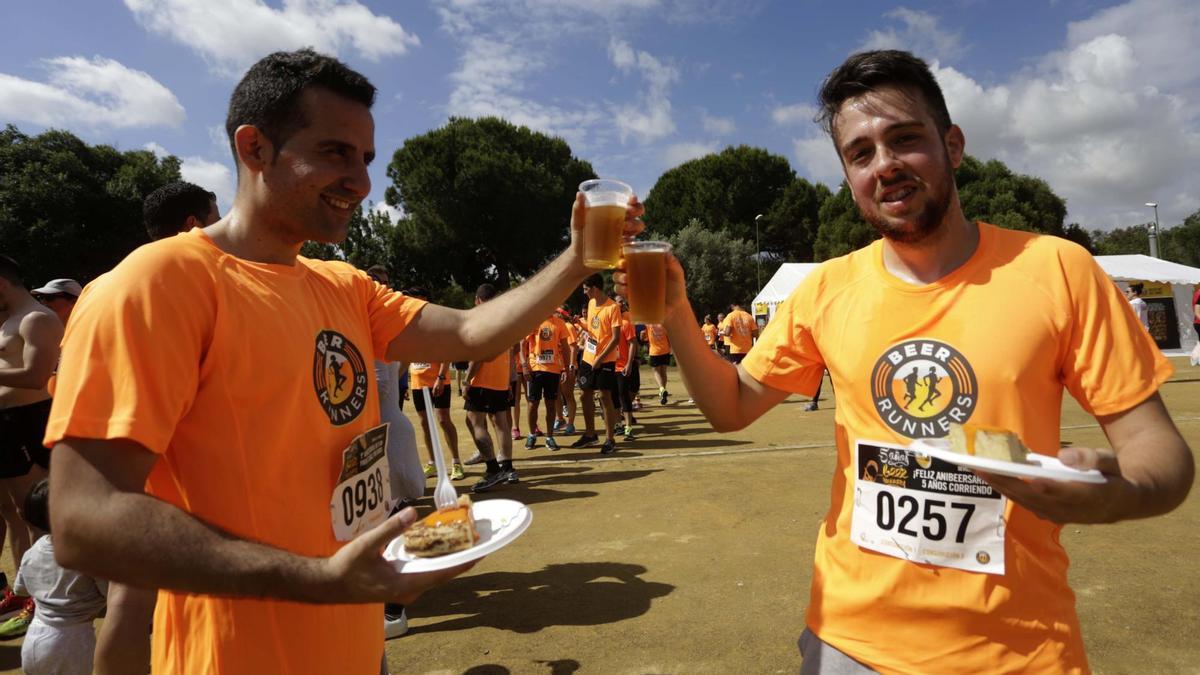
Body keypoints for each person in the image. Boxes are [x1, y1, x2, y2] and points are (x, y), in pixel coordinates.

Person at [47, 48, 643, 675]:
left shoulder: (343, 285)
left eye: (365, 159)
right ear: (254, 148)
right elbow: (86, 518)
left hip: (356, 644)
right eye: (334, 152)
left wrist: (579, 259)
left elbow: (469, 332)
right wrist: (320, 580)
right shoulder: (158, 284)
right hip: (237, 657)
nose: (360, 182)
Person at [628, 49, 1193, 674]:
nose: (885, 165)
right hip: (849, 641)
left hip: (1018, 650)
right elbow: (731, 406)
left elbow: (1160, 455)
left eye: (904, 139)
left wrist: (1117, 493)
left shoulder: (1058, 270)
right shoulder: (825, 289)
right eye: (860, 153)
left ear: (952, 145)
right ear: (848, 176)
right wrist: (676, 309)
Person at [0, 254, 61, 621]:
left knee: (35, 514)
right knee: (10, 515)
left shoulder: (37, 318)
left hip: (26, 421)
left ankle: (41, 597)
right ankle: (22, 589)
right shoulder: (8, 320)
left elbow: (37, 376)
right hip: (6, 424)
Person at [10, 479, 107, 675]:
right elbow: (110, 593)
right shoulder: (85, 554)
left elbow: (20, 588)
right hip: (72, 640)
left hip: (34, 639)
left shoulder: (33, 551)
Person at [464, 284, 519, 492]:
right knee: (501, 423)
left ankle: (493, 468)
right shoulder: (505, 321)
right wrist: (507, 381)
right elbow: (512, 351)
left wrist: (467, 380)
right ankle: (508, 467)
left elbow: (480, 355)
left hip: (482, 381)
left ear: (478, 300)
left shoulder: (481, 319)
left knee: (475, 421)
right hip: (500, 381)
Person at [571, 274, 622, 455]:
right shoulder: (592, 304)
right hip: (588, 356)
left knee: (604, 397)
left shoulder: (613, 308)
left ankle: (610, 439)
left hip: (605, 360)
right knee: (585, 396)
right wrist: (580, 324)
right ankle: (590, 434)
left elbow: (615, 339)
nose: (584, 292)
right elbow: (594, 331)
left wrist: (600, 358)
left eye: (586, 289)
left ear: (594, 288)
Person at [520, 312, 571, 451]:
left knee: (551, 404)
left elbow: (565, 347)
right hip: (535, 369)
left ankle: (550, 437)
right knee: (533, 404)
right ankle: (532, 434)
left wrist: (566, 368)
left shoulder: (559, 323)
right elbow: (522, 345)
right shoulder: (532, 320)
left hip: (553, 369)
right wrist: (524, 365)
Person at [142, 181, 221, 240]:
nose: (221, 225)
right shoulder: (217, 260)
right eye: (218, 220)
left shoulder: (136, 259)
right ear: (192, 224)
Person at [613, 296, 638, 440]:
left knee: (624, 395)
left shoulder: (626, 323)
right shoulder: (609, 321)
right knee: (613, 397)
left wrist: (629, 363)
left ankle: (628, 428)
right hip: (610, 365)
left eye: (623, 301)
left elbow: (633, 343)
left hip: (622, 366)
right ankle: (618, 425)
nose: (622, 304)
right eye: (619, 301)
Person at [553, 307, 579, 434]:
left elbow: (574, 347)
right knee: (556, 394)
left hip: (567, 366)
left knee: (568, 395)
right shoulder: (556, 326)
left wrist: (570, 366)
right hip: (556, 367)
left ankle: (571, 423)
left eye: (556, 312)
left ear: (561, 314)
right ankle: (560, 419)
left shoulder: (568, 326)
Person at [642, 324, 672, 405]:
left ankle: (662, 389)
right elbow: (669, 337)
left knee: (656, 372)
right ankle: (663, 391)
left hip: (655, 352)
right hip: (665, 350)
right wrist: (670, 348)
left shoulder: (648, 325)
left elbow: (643, 338)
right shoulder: (663, 324)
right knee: (663, 372)